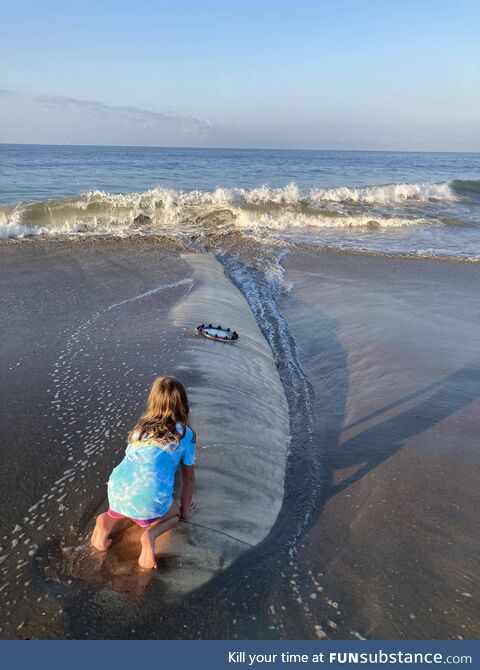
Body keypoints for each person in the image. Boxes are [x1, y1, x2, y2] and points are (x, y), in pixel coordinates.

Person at [90, 376, 197, 569]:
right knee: (174, 515)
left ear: (153, 401)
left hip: (117, 489)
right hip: (149, 496)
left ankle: (106, 520)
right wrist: (185, 511)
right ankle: (151, 535)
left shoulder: (140, 428)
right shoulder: (185, 435)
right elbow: (188, 480)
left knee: (125, 502)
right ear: (182, 404)